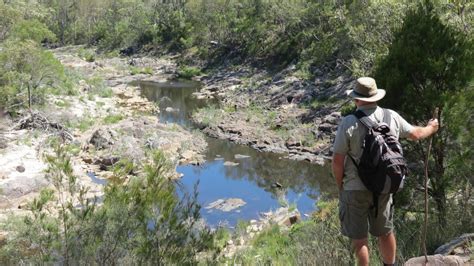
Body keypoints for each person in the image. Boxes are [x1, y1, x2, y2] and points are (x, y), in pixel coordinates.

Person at [332, 77, 439, 266]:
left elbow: (338, 161)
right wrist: (431, 127)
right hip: (384, 186)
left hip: (354, 188)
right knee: (385, 231)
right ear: (376, 96)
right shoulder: (391, 116)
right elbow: (416, 134)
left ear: (356, 99)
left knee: (359, 241)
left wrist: (340, 185)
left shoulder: (348, 122)